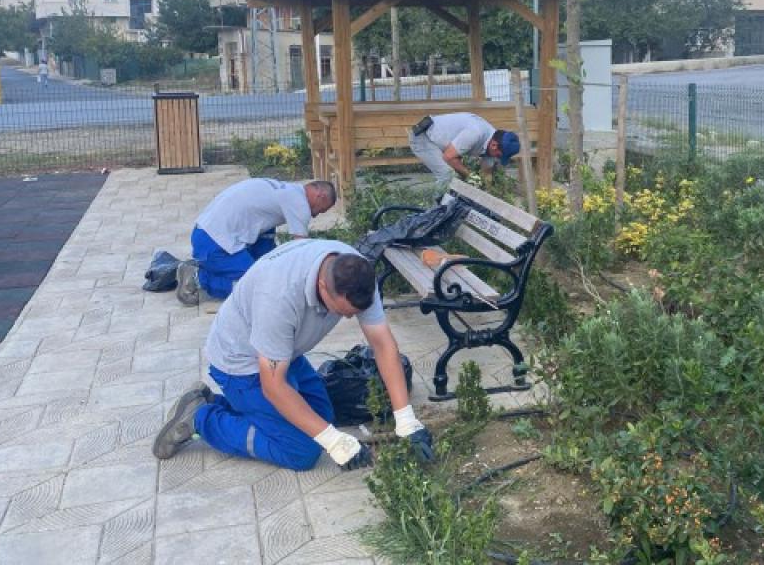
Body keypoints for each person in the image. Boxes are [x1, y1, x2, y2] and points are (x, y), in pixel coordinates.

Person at [153, 240, 434, 471]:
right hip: (241, 362)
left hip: (284, 351)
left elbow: (383, 345)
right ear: (323, 286)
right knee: (301, 450)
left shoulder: (357, 274)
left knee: (322, 418)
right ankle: (202, 418)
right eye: (343, 311)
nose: (350, 318)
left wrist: (406, 419)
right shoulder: (278, 298)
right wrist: (334, 441)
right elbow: (274, 386)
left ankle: (233, 406)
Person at [177, 179, 337, 304]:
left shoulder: (283, 190)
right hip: (214, 244)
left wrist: (273, 268)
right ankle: (197, 277)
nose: (316, 215)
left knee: (265, 256)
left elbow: (265, 241)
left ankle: (206, 265)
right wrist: (318, 280)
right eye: (321, 210)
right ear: (320, 196)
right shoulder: (300, 203)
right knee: (257, 287)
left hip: (204, 233)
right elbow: (301, 250)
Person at [408, 112, 521, 186]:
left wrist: (488, 189)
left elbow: (486, 172)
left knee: (459, 176)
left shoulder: (493, 141)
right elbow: (448, 157)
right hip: (424, 138)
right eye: (499, 155)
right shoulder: (475, 133)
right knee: (447, 175)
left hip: (443, 143)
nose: (497, 158)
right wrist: (471, 177)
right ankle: (436, 212)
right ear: (494, 145)